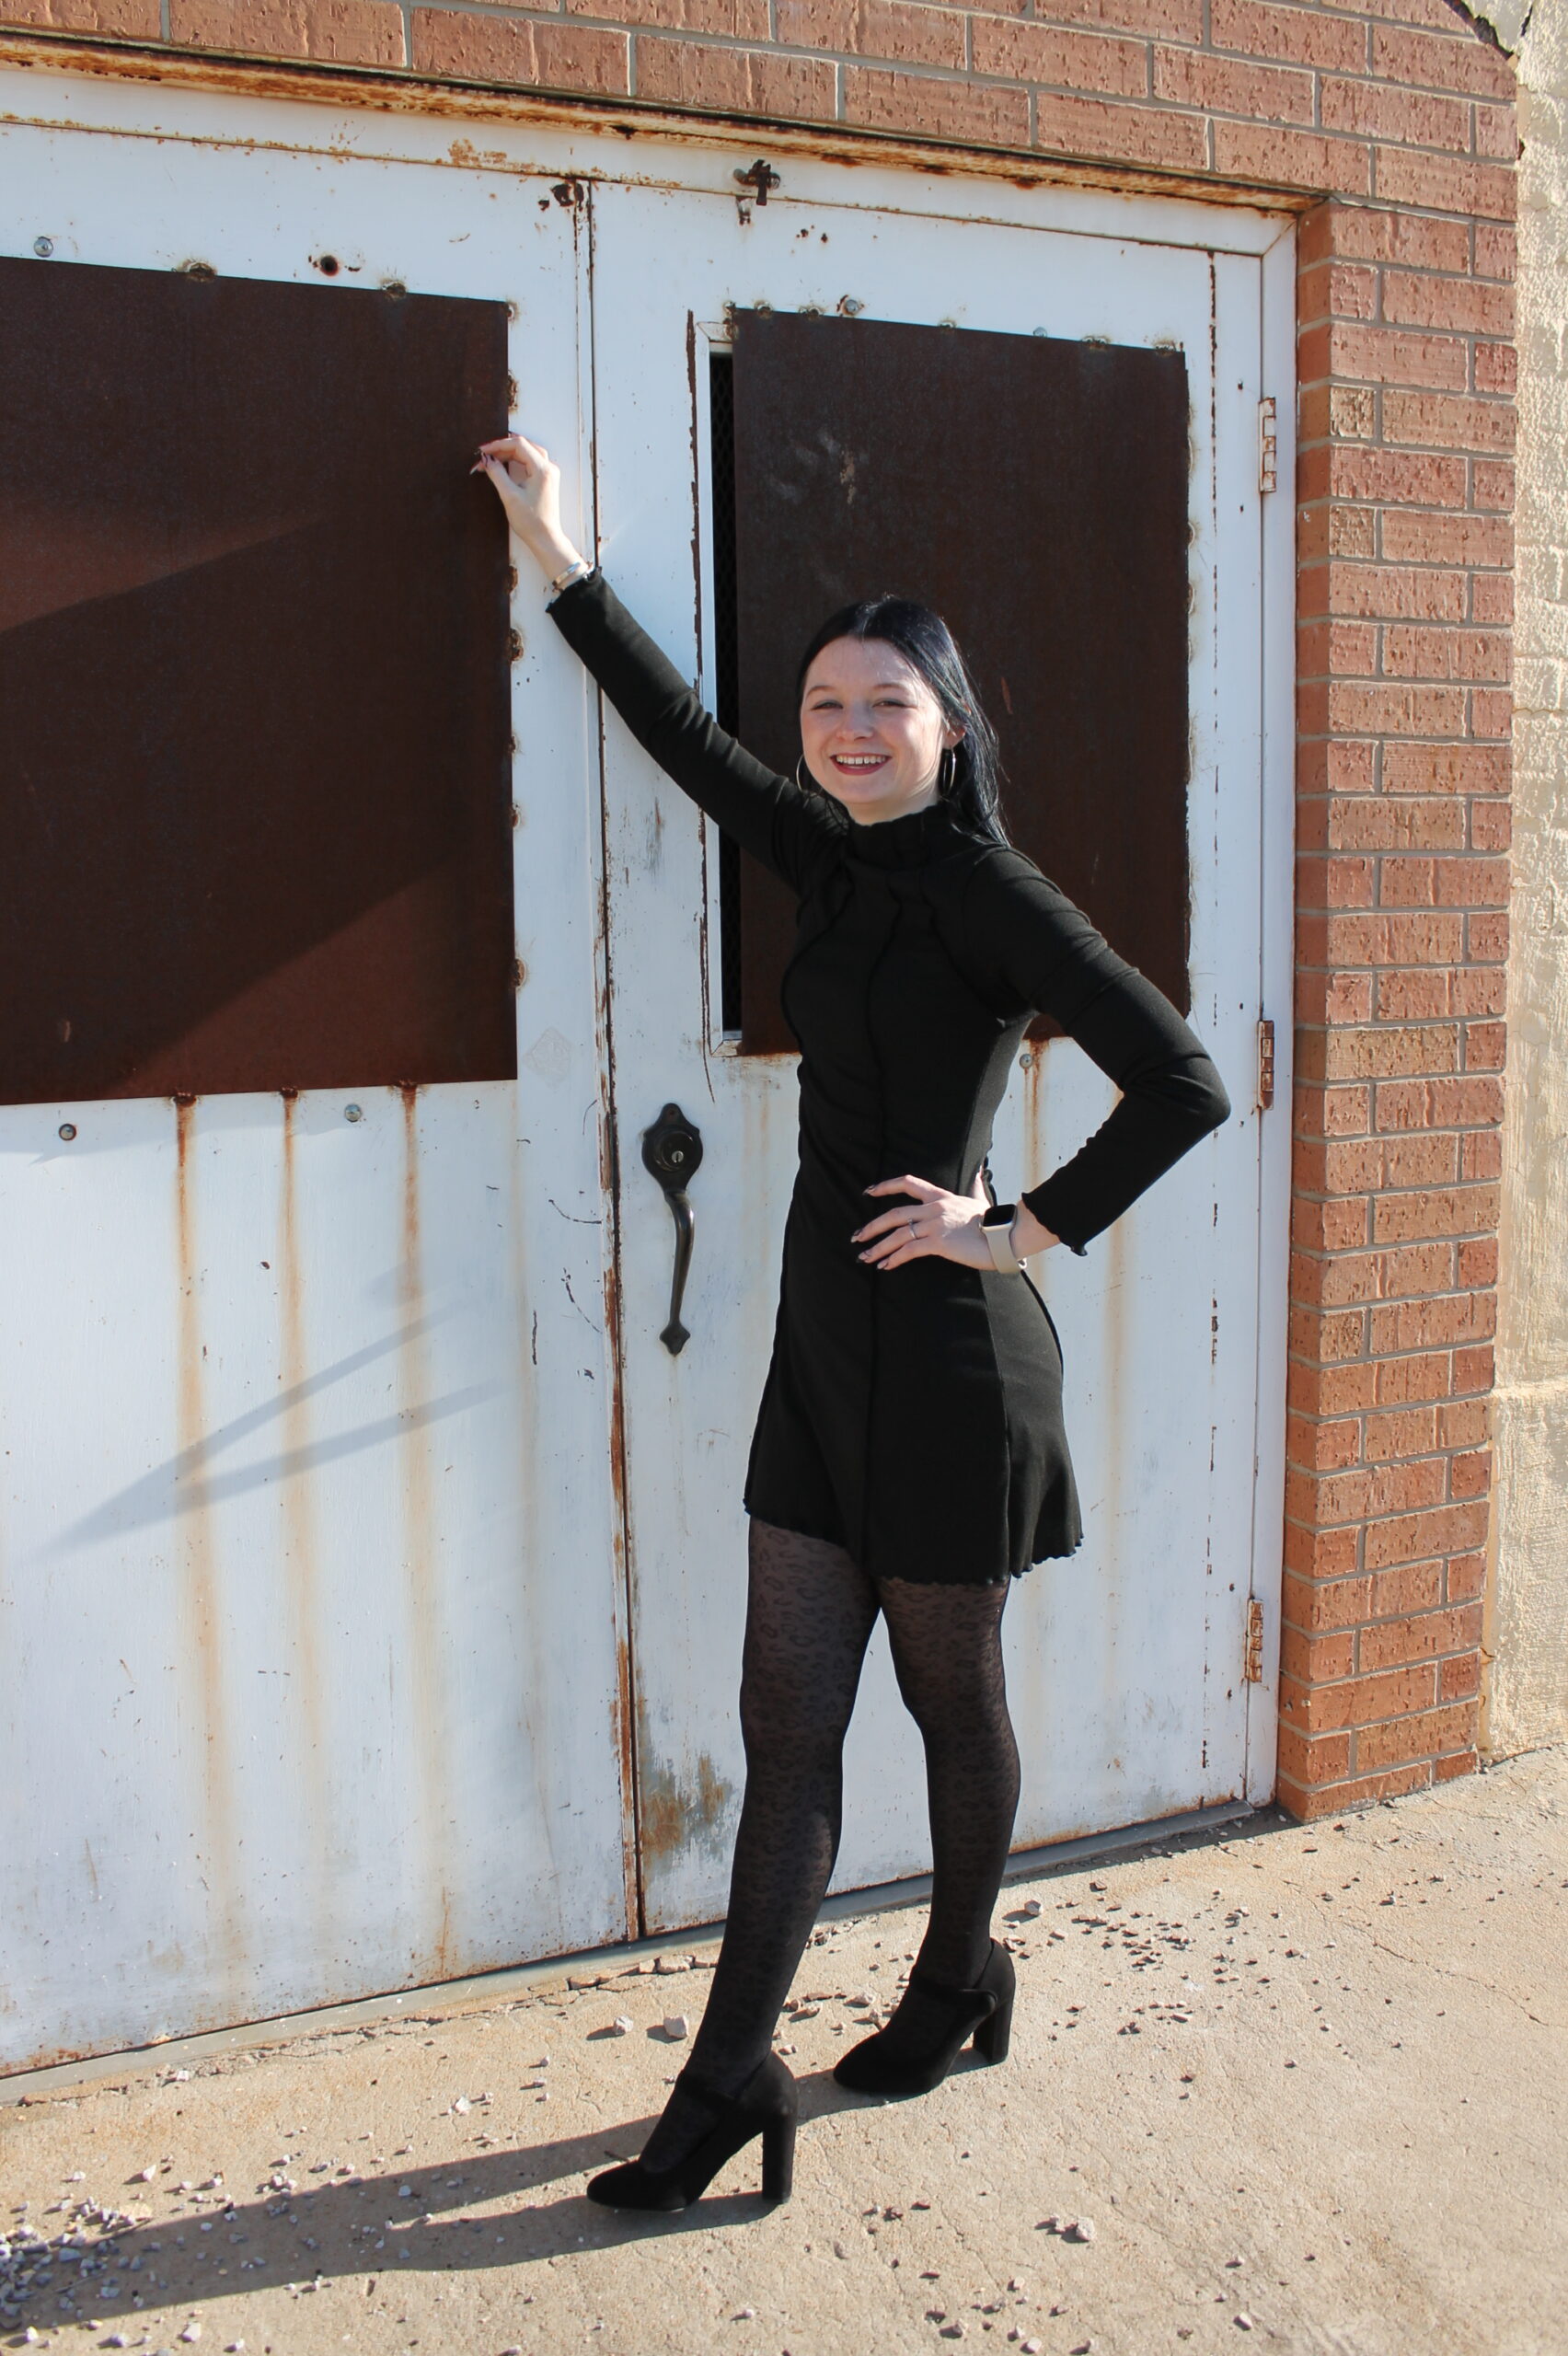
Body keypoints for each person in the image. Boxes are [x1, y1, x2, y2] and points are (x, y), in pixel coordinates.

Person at [475, 431, 1231, 2214]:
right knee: (789, 1716)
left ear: (949, 723)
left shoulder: (989, 894)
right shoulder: (824, 856)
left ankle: (959, 1965)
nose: (847, 727)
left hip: (956, 1368)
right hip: (821, 1358)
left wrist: (1022, 1221)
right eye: (828, 701)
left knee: (950, 1696)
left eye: (886, 701)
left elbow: (1181, 1076)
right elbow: (685, 741)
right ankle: (738, 2065)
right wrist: (553, 549)